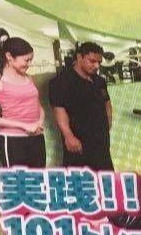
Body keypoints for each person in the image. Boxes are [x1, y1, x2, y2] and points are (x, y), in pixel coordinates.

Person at [0, 35, 45, 168]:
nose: (30, 64)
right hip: (12, 140)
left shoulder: (28, 78)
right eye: (26, 60)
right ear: (9, 56)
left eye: (31, 60)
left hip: (37, 138)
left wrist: (40, 121)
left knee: (39, 178)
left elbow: (38, 106)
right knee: (18, 181)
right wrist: (24, 125)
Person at [48, 42, 114, 171]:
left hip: (101, 140)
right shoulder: (62, 81)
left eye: (99, 62)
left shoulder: (99, 81)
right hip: (78, 140)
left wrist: (108, 121)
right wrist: (68, 136)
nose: (96, 66)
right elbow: (58, 109)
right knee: (80, 177)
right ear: (79, 57)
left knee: (105, 175)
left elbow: (106, 102)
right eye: (92, 61)